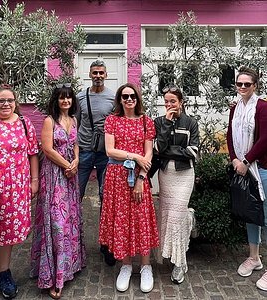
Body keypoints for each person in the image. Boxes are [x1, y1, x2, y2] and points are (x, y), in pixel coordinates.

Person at [99, 83, 159, 293]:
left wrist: (142, 178)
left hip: (139, 177)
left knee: (141, 220)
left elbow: (149, 154)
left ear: (137, 98)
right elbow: (110, 150)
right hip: (116, 178)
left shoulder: (146, 122)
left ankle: (145, 266)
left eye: (132, 96)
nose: (129, 99)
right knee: (121, 220)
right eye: (125, 97)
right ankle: (125, 265)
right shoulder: (112, 121)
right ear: (120, 99)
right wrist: (134, 156)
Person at [0, 84, 39, 299]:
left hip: (16, 187)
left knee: (6, 232)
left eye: (10, 101)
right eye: (1, 101)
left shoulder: (24, 123)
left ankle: (3, 273)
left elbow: (33, 153)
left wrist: (34, 180)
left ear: (16, 103)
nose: (6, 104)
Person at [30, 84, 86, 299]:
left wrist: (77, 161)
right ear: (56, 100)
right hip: (54, 176)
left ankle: (70, 266)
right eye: (62, 98)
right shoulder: (49, 121)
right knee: (56, 222)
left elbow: (75, 145)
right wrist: (67, 165)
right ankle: (53, 275)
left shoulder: (73, 120)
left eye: (69, 98)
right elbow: (47, 148)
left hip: (71, 176)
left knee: (70, 219)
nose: (65, 101)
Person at [227, 67, 267, 291]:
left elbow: (265, 139)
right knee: (252, 212)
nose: (242, 87)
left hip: (262, 168)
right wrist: (234, 160)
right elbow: (229, 135)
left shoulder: (262, 107)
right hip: (243, 167)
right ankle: (254, 257)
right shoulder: (235, 108)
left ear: (255, 85)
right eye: (239, 84)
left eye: (247, 84)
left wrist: (246, 160)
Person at [154, 86, 199, 284]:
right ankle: (172, 254)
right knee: (167, 215)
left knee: (178, 216)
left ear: (181, 101)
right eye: (166, 102)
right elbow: (158, 149)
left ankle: (181, 263)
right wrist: (166, 124)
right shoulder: (159, 122)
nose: (169, 105)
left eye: (173, 101)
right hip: (166, 175)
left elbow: (194, 152)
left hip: (184, 175)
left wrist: (169, 151)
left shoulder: (191, 123)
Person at [76, 60, 115, 265]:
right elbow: (76, 123)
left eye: (101, 72)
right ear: (89, 74)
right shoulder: (81, 97)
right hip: (84, 150)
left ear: (106, 75)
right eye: (94, 72)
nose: (98, 75)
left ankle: (106, 242)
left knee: (105, 197)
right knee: (76, 194)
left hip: (105, 154)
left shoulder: (113, 97)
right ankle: (73, 240)